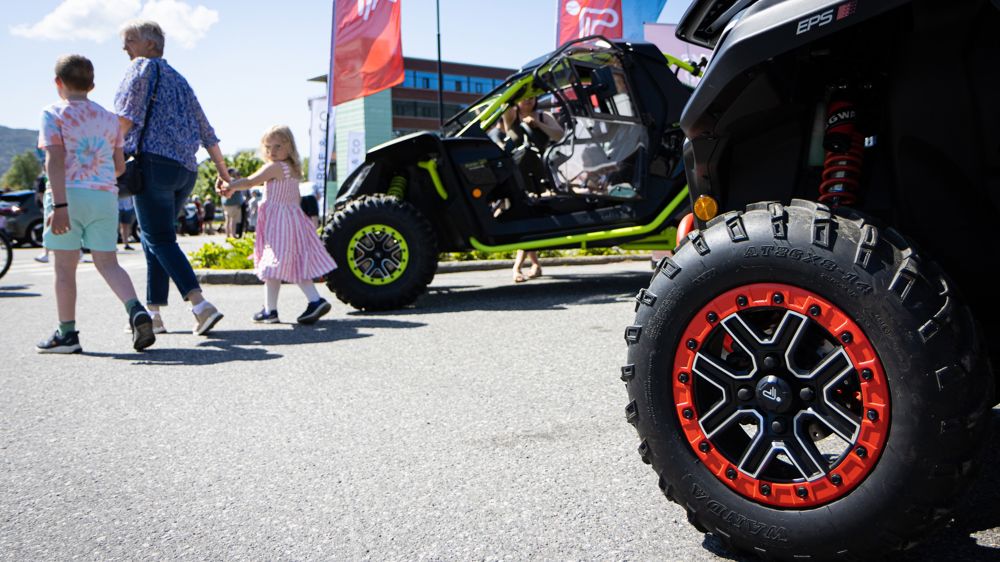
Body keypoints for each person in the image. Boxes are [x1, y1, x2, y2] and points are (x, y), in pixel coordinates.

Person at [36, 54, 155, 353]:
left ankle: (67, 335)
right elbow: (119, 166)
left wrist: (60, 206)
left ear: (58, 83)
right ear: (92, 85)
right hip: (104, 196)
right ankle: (136, 309)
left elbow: (55, 159)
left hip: (69, 196)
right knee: (108, 263)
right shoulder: (108, 118)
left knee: (64, 268)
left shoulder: (53, 113)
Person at [114, 20, 226, 335]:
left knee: (160, 239)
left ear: (151, 44)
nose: (125, 48)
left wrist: (103, 155)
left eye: (130, 40)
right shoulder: (180, 79)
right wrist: (222, 170)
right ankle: (154, 315)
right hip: (186, 172)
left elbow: (125, 118)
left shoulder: (140, 68)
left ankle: (200, 305)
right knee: (154, 242)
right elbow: (206, 129)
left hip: (153, 167)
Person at [216, 125, 336, 325]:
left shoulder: (274, 167)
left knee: (272, 265)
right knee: (294, 263)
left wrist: (230, 186)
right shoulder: (293, 169)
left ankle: (272, 310)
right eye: (268, 147)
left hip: (279, 224)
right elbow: (296, 199)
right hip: (292, 220)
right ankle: (313, 300)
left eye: (278, 146)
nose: (272, 151)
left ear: (289, 147)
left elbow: (251, 181)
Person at [221, 167, 244, 237]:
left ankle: (227, 234)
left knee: (227, 220)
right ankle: (233, 235)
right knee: (233, 220)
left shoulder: (224, 181)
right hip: (234, 203)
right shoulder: (234, 181)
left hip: (225, 203)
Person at [34, 173, 50, 263]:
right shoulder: (45, 177)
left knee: (47, 230)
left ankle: (46, 254)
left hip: (50, 207)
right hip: (51, 206)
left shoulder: (44, 177)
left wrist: (45, 207)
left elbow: (40, 194)